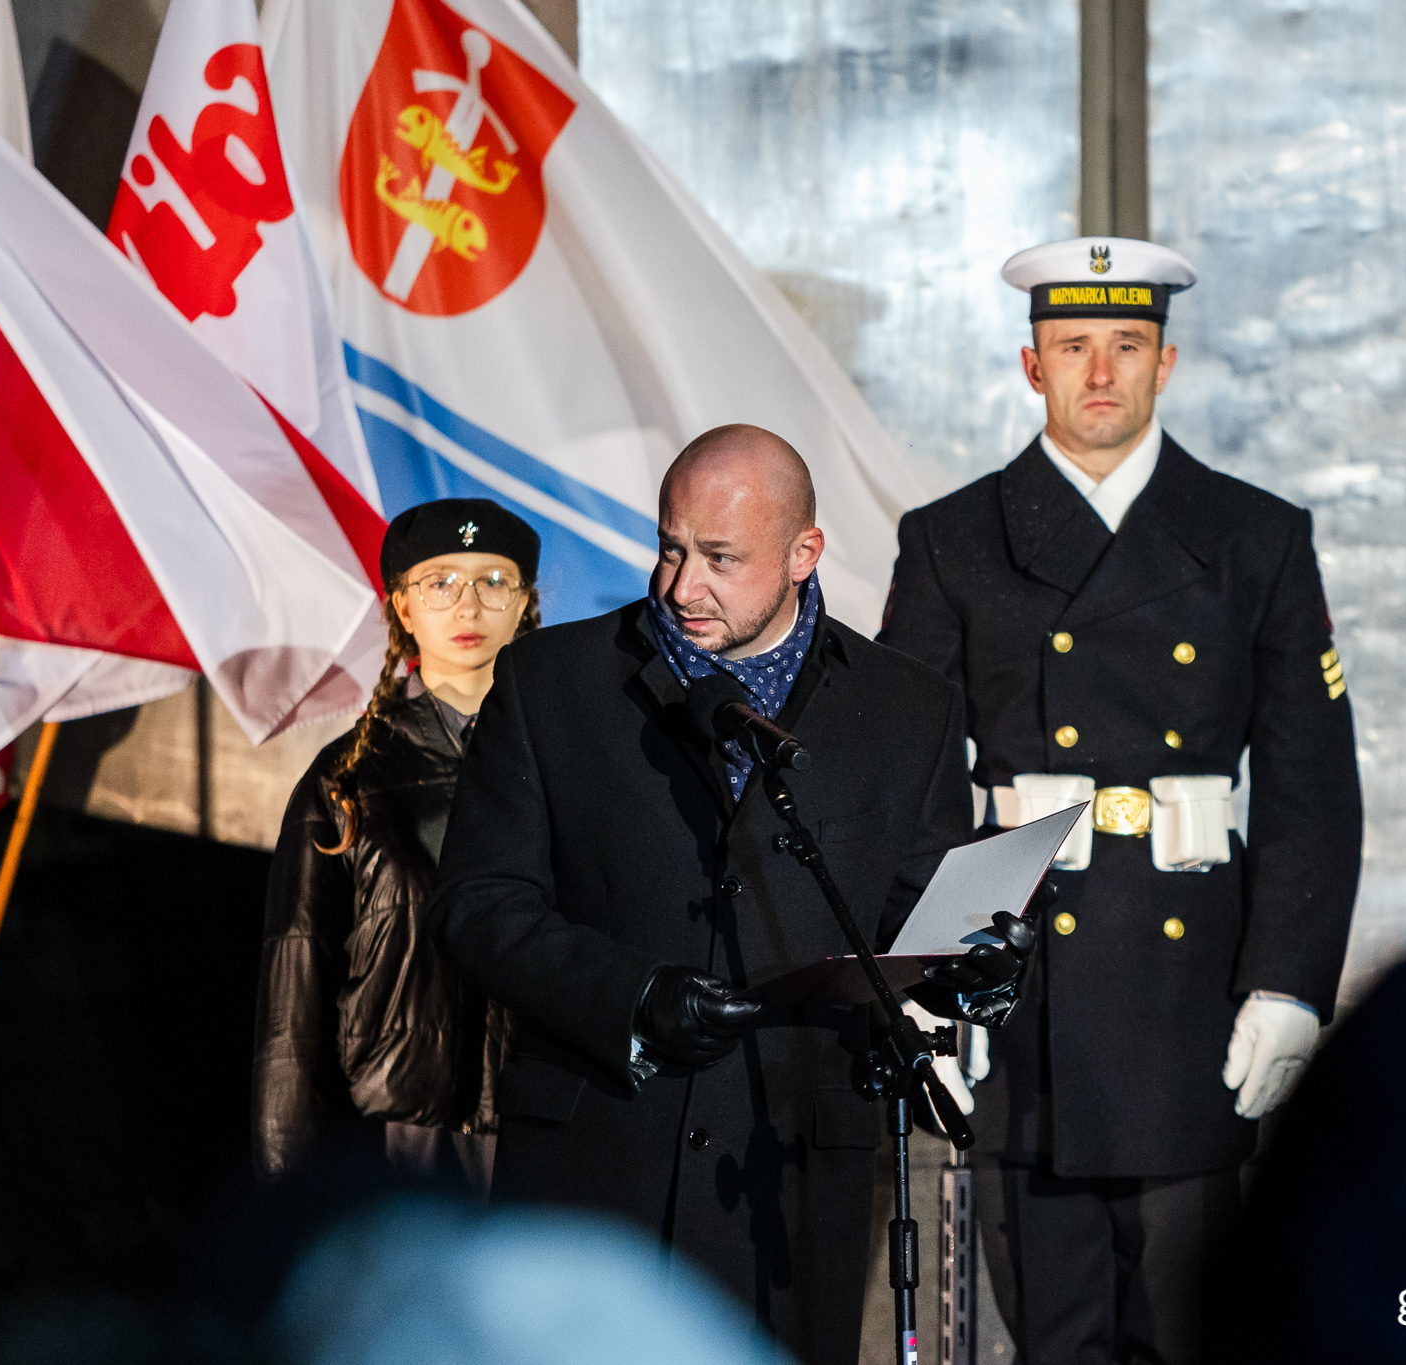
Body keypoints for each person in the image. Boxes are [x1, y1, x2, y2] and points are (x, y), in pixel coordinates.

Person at [430, 426, 1027, 1365]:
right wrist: (630, 993)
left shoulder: (907, 709)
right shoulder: (553, 683)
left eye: (719, 559)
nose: (681, 586)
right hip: (595, 1172)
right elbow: (478, 904)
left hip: (785, 1189)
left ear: (803, 555)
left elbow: (909, 929)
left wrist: (975, 971)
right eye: (670, 547)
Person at [877, 237, 1364, 1363]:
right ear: (1028, 365)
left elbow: (1308, 784)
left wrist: (1290, 984)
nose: (1099, 373)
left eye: (1126, 347)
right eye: (1072, 347)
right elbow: (909, 784)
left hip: (1192, 1002)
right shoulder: (951, 540)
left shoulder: (1256, 537)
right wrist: (933, 974)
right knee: (1055, 1342)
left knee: (1190, 1338)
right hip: (1022, 1002)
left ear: (1167, 362)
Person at [253, 498, 541, 1191]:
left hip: (540, 1134)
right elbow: (296, 987)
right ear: (403, 608)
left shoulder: (574, 770)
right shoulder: (348, 778)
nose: (468, 605)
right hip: (388, 1141)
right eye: (440, 582)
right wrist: (287, 1186)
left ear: (525, 602)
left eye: (493, 581)